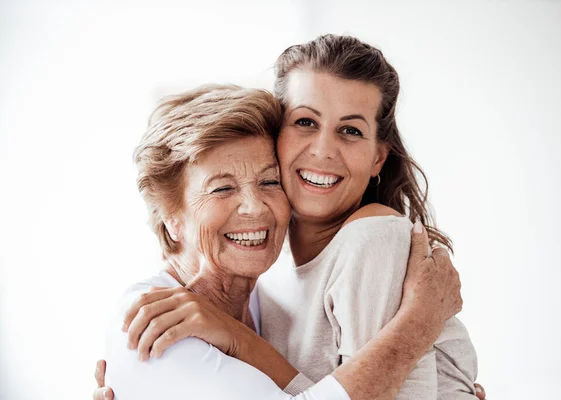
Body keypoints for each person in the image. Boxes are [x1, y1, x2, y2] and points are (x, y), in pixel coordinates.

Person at [94, 35, 487, 399]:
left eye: (350, 130)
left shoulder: (372, 238)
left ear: (378, 157)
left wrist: (421, 324)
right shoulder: (269, 273)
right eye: (305, 122)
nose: (322, 150)